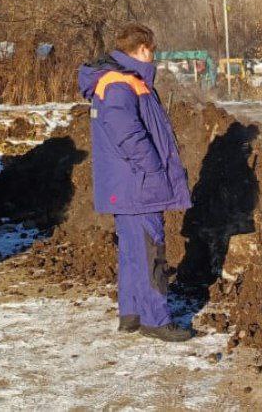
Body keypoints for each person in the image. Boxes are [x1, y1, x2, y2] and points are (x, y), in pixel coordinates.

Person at [78, 22, 193, 342]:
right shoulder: (120, 84)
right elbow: (127, 133)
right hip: (139, 185)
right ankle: (156, 319)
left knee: (132, 251)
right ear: (143, 49)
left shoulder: (119, 81)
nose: (153, 59)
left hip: (129, 186)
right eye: (152, 53)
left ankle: (131, 315)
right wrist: (153, 169)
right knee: (150, 251)